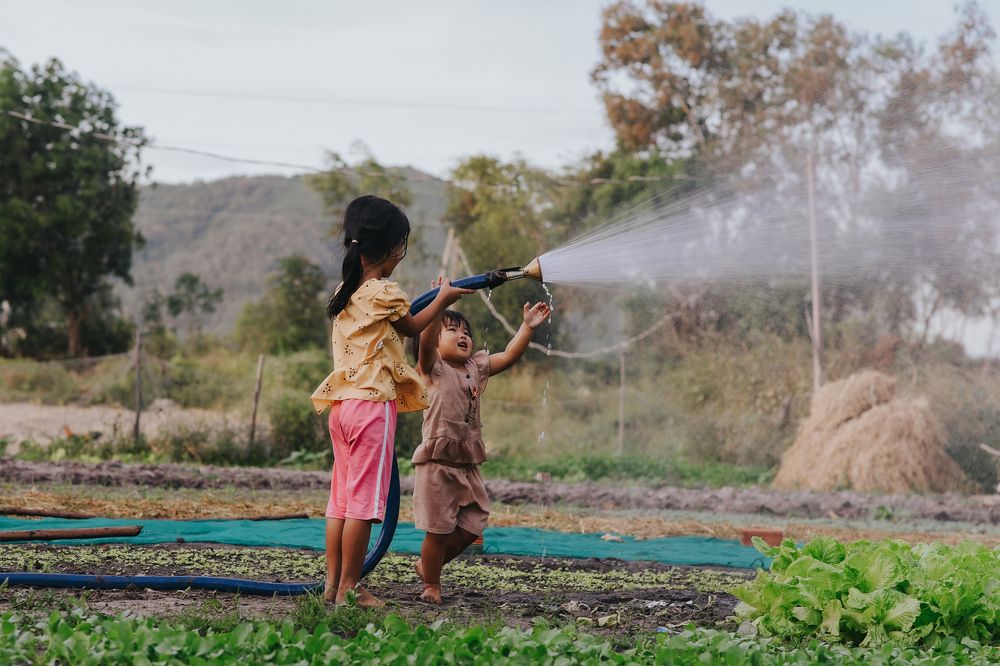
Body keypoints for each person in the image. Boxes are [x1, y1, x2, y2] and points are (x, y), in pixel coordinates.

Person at [311, 195, 472, 607]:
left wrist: (437, 300)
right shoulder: (385, 292)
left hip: (341, 408)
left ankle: (332, 586)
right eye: (402, 245)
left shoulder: (342, 293)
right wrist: (444, 299)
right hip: (370, 410)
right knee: (364, 505)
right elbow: (414, 325)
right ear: (391, 248)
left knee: (341, 502)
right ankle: (350, 588)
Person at [411, 292, 551, 603]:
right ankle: (432, 584)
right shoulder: (432, 368)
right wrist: (439, 308)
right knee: (437, 530)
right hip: (437, 463)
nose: (463, 336)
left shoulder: (475, 367)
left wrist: (527, 328)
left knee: (473, 524)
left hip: (467, 463)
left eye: (467, 333)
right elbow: (424, 342)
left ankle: (427, 566)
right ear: (436, 340)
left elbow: (508, 356)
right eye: (453, 331)